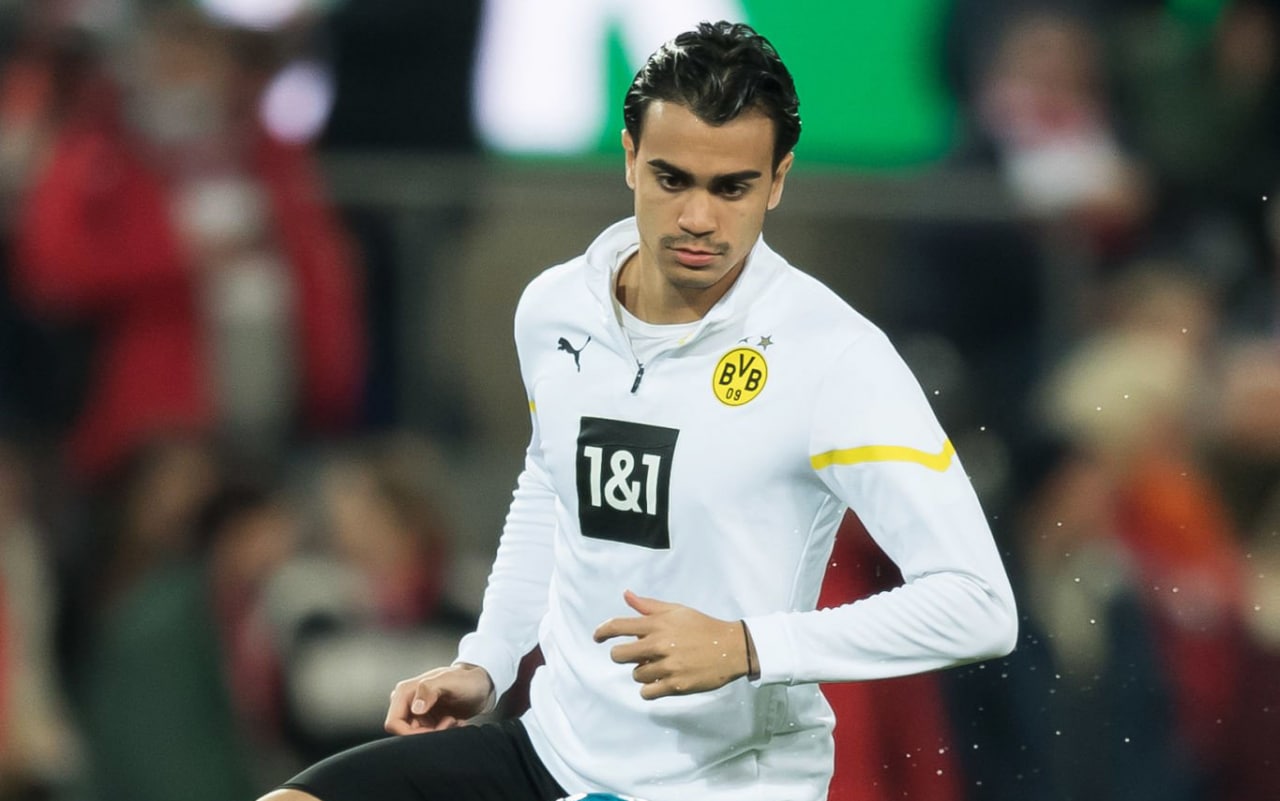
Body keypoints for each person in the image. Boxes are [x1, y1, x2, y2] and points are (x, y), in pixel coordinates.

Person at [260, 20, 1016, 801]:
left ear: (778, 180)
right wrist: (488, 659)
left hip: (725, 784)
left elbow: (980, 605)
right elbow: (549, 483)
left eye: (732, 187)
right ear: (629, 158)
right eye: (672, 179)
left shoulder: (834, 357)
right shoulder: (555, 307)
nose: (698, 218)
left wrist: (748, 645)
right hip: (551, 754)